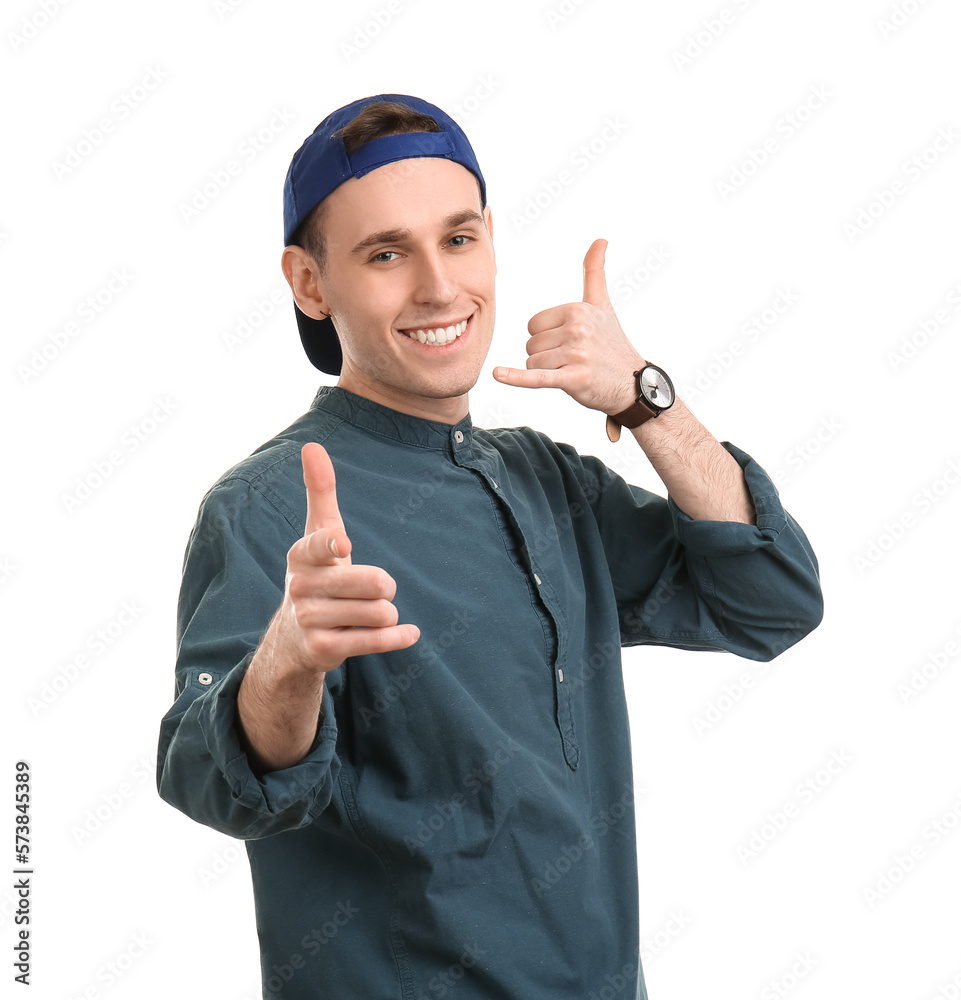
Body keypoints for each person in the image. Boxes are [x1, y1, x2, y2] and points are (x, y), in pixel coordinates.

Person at [157, 93, 823, 1000]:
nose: (438, 286)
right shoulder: (268, 508)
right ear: (309, 283)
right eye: (385, 253)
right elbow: (211, 779)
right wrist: (286, 663)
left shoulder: (548, 483)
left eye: (459, 239)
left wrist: (643, 398)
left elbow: (771, 599)